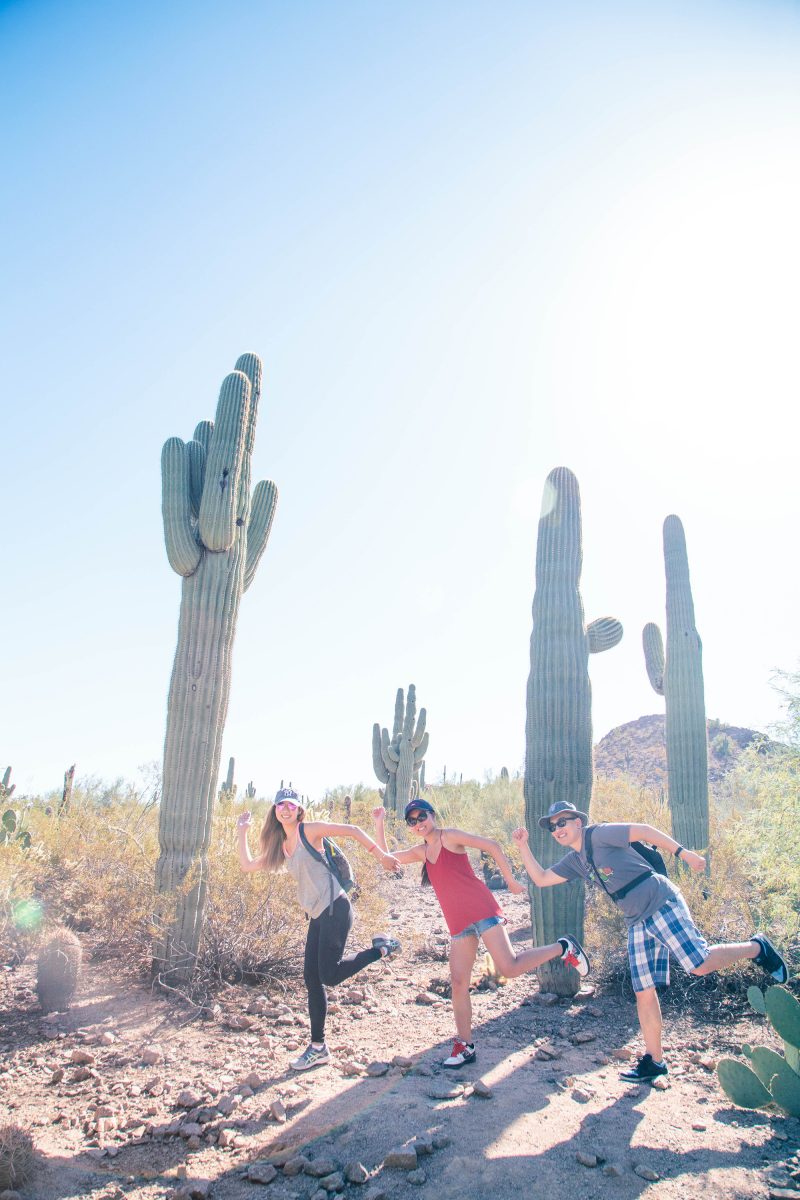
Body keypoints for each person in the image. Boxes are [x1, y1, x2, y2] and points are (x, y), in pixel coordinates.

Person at [513, 800, 790, 1083]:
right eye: (552, 826)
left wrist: (684, 854)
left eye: (563, 822)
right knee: (643, 990)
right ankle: (655, 1062)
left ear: (578, 822)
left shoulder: (600, 834)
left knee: (699, 963)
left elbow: (644, 831)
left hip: (660, 902)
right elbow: (542, 878)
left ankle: (757, 947)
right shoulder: (575, 861)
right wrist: (523, 846)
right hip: (636, 920)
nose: (557, 829)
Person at [372, 798, 590, 1069]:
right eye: (412, 821)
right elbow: (387, 859)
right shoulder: (421, 851)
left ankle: (563, 947)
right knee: (459, 982)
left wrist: (510, 880)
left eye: (422, 817)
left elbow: (492, 846)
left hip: (482, 910)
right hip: (458, 923)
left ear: (432, 815)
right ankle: (465, 1046)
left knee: (509, 968)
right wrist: (379, 824)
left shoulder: (449, 836)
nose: (418, 824)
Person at [237, 785, 403, 1071]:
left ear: (299, 809)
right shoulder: (281, 846)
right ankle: (318, 1047)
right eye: (280, 805)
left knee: (330, 975)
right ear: (275, 812)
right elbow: (248, 865)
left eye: (291, 805)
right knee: (312, 980)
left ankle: (383, 948)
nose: (286, 809)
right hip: (317, 915)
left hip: (336, 908)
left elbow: (351, 829)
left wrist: (381, 856)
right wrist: (242, 831)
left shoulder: (308, 831)